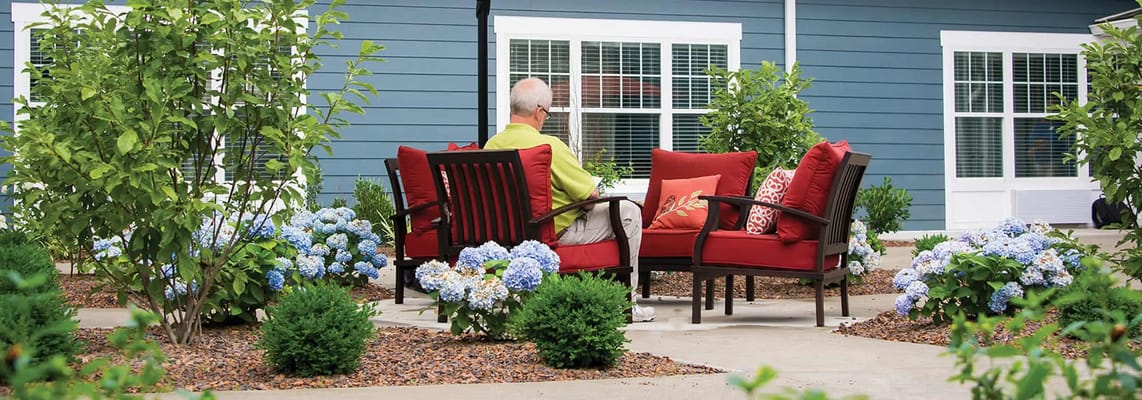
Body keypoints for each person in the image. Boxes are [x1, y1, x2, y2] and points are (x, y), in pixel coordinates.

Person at [485, 77, 655, 322]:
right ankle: (627, 303)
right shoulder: (547, 145)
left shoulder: (492, 145)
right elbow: (590, 195)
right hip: (551, 231)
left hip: (506, 235)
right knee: (628, 211)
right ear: (539, 112)